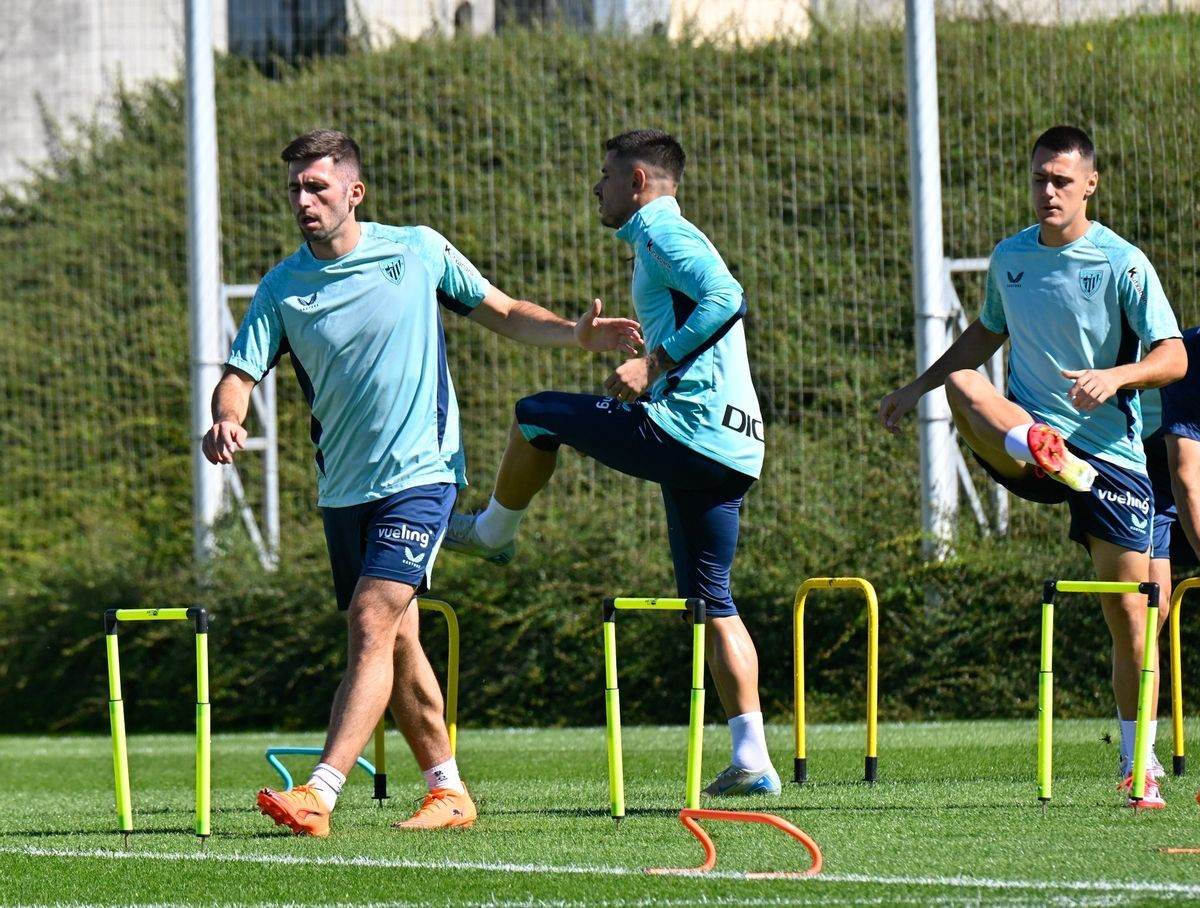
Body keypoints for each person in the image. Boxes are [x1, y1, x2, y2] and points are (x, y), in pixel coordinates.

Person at [202, 129, 643, 837]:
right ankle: (448, 790)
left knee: (370, 621)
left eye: (317, 186)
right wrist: (225, 419)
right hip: (343, 490)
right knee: (398, 642)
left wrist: (573, 335)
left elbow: (501, 312)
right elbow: (238, 376)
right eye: (294, 189)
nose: (304, 200)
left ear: (355, 192)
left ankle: (319, 792)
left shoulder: (417, 249)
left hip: (421, 476)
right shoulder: (282, 287)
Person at [442, 129, 781, 797]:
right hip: (737, 448)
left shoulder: (661, 232)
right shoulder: (666, 236)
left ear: (638, 183)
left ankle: (491, 534)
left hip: (689, 432)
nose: (594, 187)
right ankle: (754, 759)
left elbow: (727, 297)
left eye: (605, 175)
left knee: (535, 414)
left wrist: (655, 362)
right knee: (712, 599)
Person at [878, 125, 1185, 807]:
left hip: (1109, 458)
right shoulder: (1009, 258)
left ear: (1090, 185)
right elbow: (987, 331)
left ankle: (1141, 767)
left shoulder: (1122, 263)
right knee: (964, 384)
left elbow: (1174, 355)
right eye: (1039, 178)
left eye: (1061, 181)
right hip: (1033, 442)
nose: (1048, 191)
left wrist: (1118, 377)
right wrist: (914, 388)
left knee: (1132, 619)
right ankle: (1037, 451)